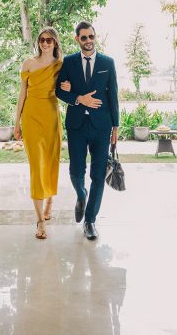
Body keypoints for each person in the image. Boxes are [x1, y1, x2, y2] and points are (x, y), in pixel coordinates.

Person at [55, 22, 119, 241]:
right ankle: (81, 195)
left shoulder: (107, 63)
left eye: (91, 36)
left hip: (102, 126)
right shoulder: (69, 62)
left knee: (98, 175)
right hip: (76, 127)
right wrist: (78, 98)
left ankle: (90, 220)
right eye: (84, 37)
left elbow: (113, 97)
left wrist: (116, 127)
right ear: (77, 39)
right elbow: (58, 91)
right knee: (76, 171)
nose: (89, 40)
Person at [14, 27, 69, 240]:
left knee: (51, 161)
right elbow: (22, 93)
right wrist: (16, 122)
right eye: (42, 40)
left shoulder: (61, 66)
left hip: (52, 117)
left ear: (55, 43)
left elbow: (68, 90)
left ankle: (50, 201)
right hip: (31, 117)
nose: (45, 43)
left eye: (49, 40)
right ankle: (39, 221)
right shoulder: (28, 63)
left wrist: (67, 85)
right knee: (37, 167)